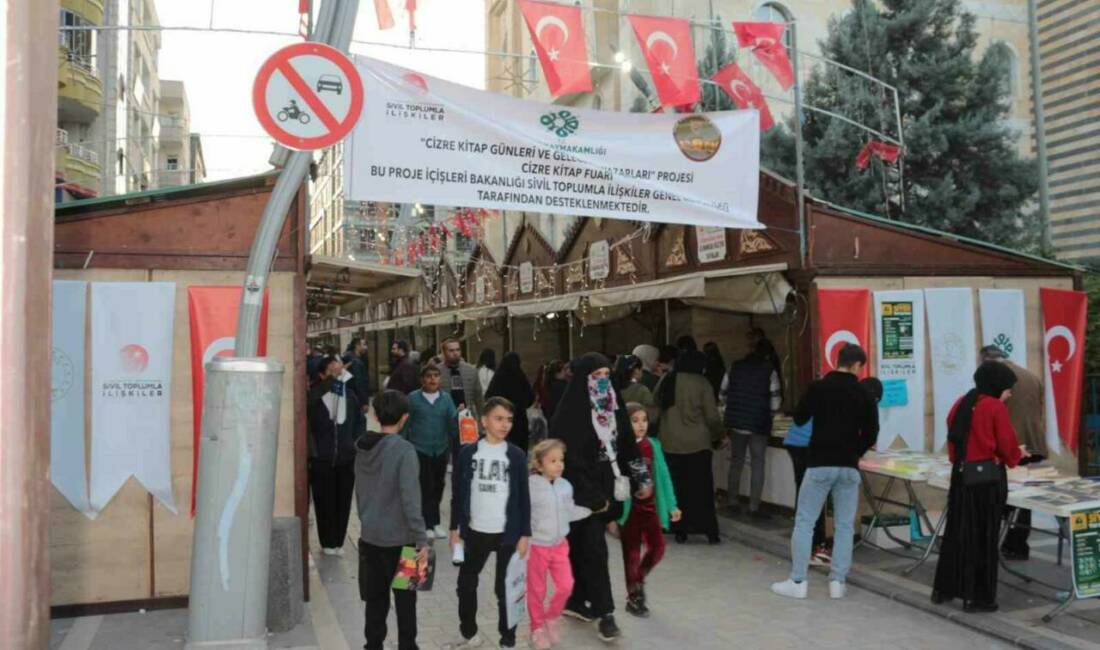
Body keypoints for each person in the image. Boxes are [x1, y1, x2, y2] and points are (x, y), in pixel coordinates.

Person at [772, 344, 878, 600]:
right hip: (848, 466)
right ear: (856, 366)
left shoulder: (817, 388)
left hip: (819, 462)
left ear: (838, 361)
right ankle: (837, 582)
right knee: (843, 525)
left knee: (805, 521)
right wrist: (855, 451)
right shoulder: (863, 393)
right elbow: (872, 433)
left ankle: (798, 580)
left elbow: (798, 418)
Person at [550, 352, 640, 642]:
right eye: (596, 376)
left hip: (610, 488)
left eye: (606, 375)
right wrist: (591, 495)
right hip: (581, 494)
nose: (603, 382)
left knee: (583, 548)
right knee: (594, 549)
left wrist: (642, 478)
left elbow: (627, 443)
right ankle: (606, 613)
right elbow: (567, 458)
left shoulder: (613, 405)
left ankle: (577, 600)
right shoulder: (570, 412)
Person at [932, 361, 1026, 612]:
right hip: (986, 479)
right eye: (1008, 388)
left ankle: (947, 588)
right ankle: (979, 597)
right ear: (997, 385)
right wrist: (1016, 455)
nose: (1009, 393)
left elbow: (953, 436)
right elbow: (1006, 444)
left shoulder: (962, 402)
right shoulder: (994, 407)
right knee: (983, 538)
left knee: (957, 533)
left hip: (962, 475)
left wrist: (960, 460)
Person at [447, 397, 531, 649]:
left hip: (508, 533)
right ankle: (469, 633)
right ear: (483, 421)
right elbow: (458, 494)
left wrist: (524, 534)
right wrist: (455, 529)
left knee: (505, 588)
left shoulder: (516, 456)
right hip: (475, 531)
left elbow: (523, 498)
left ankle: (508, 639)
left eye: (509, 420)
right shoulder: (468, 453)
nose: (505, 424)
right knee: (466, 584)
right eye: (498, 418)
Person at [355, 390, 429, 650]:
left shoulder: (362, 447)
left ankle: (373, 645)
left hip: (370, 538)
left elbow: (361, 492)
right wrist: (423, 541)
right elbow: (411, 500)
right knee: (406, 601)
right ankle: (407, 646)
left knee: (375, 601)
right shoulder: (405, 451)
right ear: (405, 418)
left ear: (374, 415)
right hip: (405, 542)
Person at [980, 345, 1046, 561]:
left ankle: (1001, 541)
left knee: (1005, 494)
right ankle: (1017, 544)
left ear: (987, 360)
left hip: (1011, 445)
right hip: (1033, 441)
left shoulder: (999, 379)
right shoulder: (1032, 376)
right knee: (1023, 496)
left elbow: (994, 413)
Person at [655, 349, 724, 544]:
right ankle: (709, 531)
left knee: (678, 489)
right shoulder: (702, 383)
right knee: (701, 489)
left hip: (670, 443)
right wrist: (720, 435)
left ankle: (680, 529)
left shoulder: (667, 380)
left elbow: (655, 406)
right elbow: (712, 416)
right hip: (698, 445)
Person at [618, 403, 680, 618]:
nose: (641, 425)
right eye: (635, 421)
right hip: (630, 511)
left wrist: (672, 505)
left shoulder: (653, 445)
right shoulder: (619, 448)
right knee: (632, 555)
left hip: (651, 508)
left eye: (644, 420)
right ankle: (634, 597)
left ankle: (638, 580)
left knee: (658, 548)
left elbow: (664, 477)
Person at [527, 439, 589, 650]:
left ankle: (551, 618)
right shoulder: (531, 486)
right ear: (539, 464)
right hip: (537, 547)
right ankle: (536, 628)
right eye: (553, 461)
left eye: (561, 460)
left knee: (566, 585)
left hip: (560, 545)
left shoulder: (565, 486)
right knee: (537, 590)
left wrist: (591, 510)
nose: (559, 464)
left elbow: (569, 511)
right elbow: (524, 514)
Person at [307, 355, 363, 555]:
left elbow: (359, 424)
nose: (339, 375)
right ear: (322, 375)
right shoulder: (314, 397)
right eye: (332, 371)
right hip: (322, 459)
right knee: (324, 501)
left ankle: (338, 539)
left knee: (343, 500)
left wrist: (354, 445)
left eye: (340, 371)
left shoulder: (351, 397)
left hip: (346, 459)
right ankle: (327, 541)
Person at [724, 337, 783, 519]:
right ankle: (754, 506)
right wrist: (773, 413)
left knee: (736, 461)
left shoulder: (734, 366)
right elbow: (775, 398)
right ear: (766, 354)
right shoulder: (769, 370)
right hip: (759, 423)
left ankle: (732, 501)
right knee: (758, 463)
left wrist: (732, 408)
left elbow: (722, 392)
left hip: (736, 423)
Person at [403, 364, 458, 540]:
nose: (432, 379)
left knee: (438, 485)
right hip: (419, 449)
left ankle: (435, 522)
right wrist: (402, 446)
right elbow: (406, 424)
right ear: (422, 379)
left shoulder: (446, 399)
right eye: (428, 376)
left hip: (441, 449)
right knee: (424, 486)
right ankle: (425, 524)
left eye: (436, 376)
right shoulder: (413, 399)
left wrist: (462, 422)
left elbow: (452, 424)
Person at [485, 352, 535, 452]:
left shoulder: (498, 378)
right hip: (519, 420)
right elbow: (530, 398)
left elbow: (489, 397)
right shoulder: (521, 378)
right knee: (518, 449)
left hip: (500, 420)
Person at [437, 337, 484, 419]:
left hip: (467, 417)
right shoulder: (436, 371)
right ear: (444, 352)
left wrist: (482, 418)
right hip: (444, 417)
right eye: (451, 350)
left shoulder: (471, 370)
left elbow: (478, 397)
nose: (455, 353)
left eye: (458, 350)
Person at [615, 354, 656, 422]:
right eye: (641, 370)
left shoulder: (609, 388)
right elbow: (652, 416)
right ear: (636, 371)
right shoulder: (641, 390)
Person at [343, 337, 371, 407]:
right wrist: (364, 402)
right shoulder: (355, 361)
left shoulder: (349, 357)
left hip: (350, 397)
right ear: (357, 346)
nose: (366, 347)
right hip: (356, 399)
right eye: (364, 345)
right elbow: (359, 382)